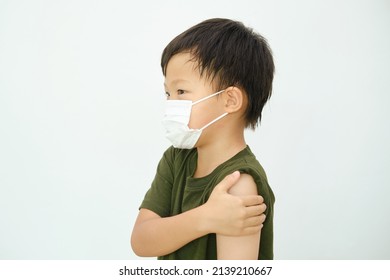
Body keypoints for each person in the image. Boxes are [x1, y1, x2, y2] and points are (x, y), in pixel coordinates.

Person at [131, 18, 275, 260]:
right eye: (168, 93)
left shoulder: (239, 184)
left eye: (181, 92)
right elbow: (141, 241)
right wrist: (206, 218)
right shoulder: (176, 159)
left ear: (230, 100)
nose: (170, 103)